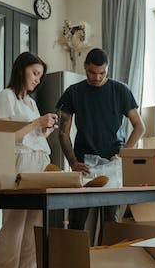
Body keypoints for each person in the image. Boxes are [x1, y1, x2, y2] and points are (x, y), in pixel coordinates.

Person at [0, 52, 58, 268]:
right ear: (22, 70)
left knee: (32, 230)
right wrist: (37, 122)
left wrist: (45, 129)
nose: (38, 79)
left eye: (40, 76)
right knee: (11, 230)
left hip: (39, 164)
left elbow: (34, 138)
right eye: (35, 73)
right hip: (18, 166)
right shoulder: (6, 96)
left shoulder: (32, 103)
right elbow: (5, 137)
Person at [56, 48, 145, 230]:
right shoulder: (73, 92)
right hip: (84, 164)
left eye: (102, 73)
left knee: (110, 222)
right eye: (91, 73)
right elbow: (63, 132)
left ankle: (106, 258)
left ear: (108, 69)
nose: (96, 77)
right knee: (77, 222)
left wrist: (123, 154)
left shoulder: (121, 90)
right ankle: (75, 258)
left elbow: (140, 127)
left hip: (113, 162)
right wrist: (72, 161)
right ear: (85, 67)